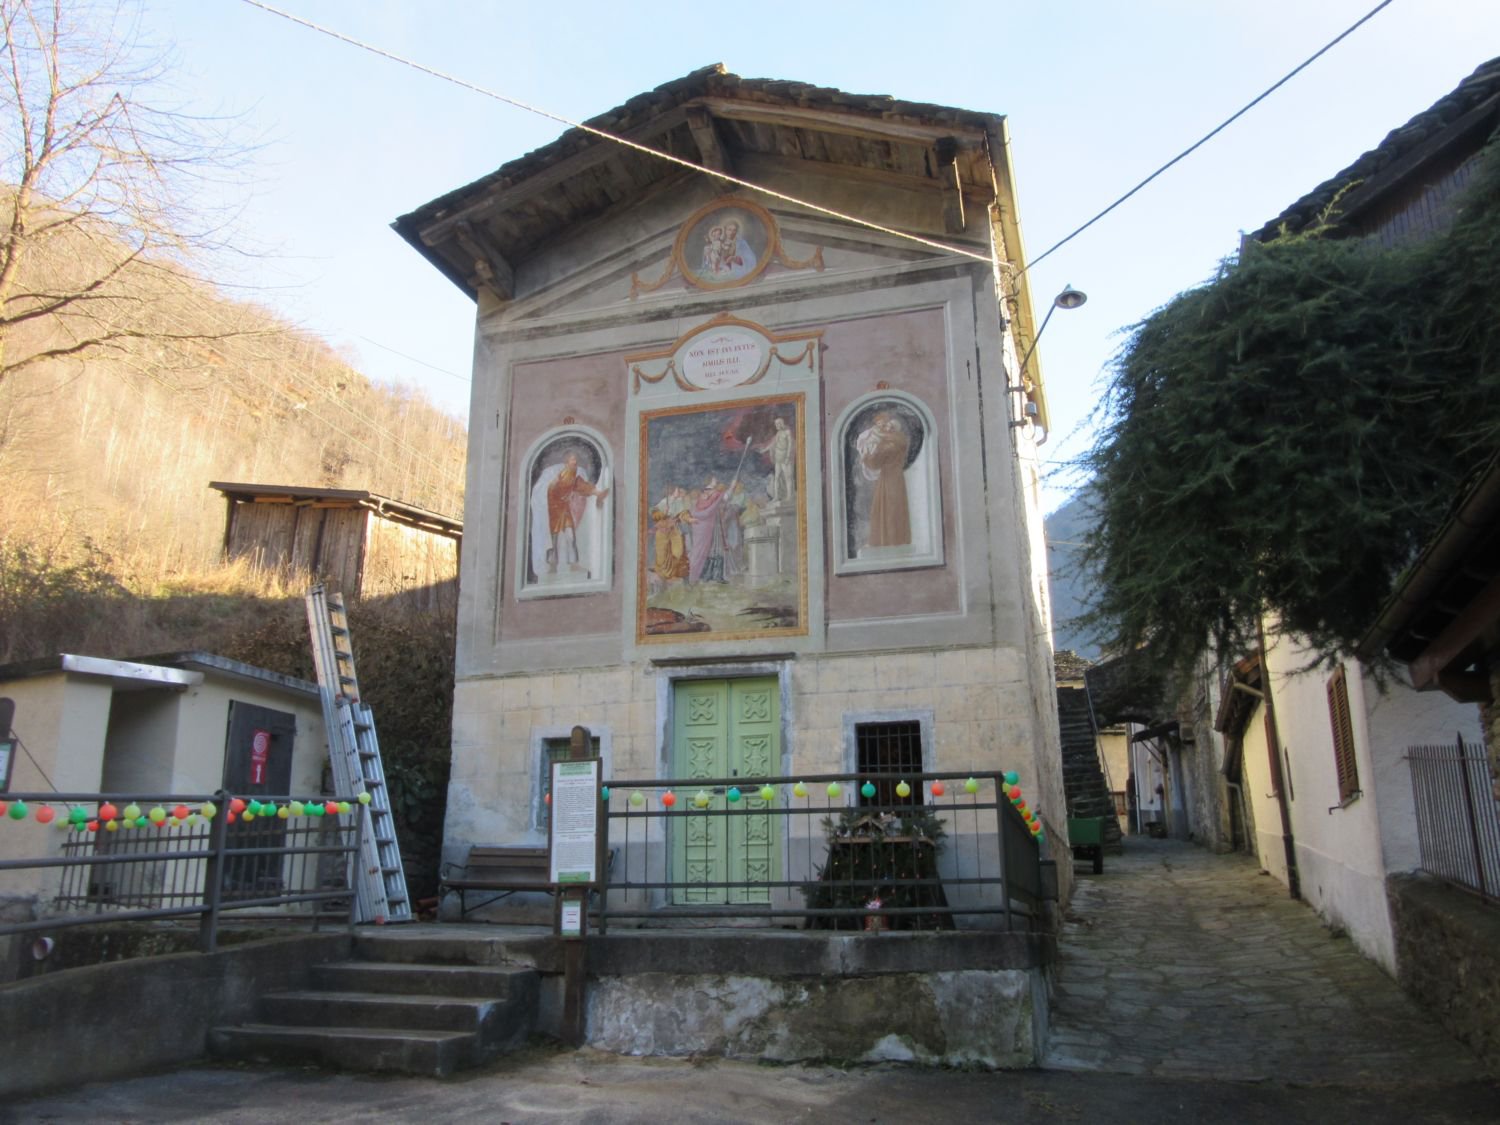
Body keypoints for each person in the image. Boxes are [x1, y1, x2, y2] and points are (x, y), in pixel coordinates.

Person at [545, 453, 609, 574]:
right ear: (567, 463)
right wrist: (563, 498)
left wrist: (597, 493)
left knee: (571, 536)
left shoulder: (573, 477)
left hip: (564, 510)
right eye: (572, 459)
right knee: (554, 538)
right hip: (555, 510)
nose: (575, 462)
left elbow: (582, 486)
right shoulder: (561, 476)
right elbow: (553, 489)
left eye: (575, 459)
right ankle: (553, 565)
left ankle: (574, 564)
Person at [857, 412, 911, 549]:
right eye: (886, 425)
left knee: (890, 509)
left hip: (890, 479)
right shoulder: (897, 440)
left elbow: (875, 461)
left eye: (890, 426)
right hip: (893, 478)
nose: (886, 428)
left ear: (894, 429)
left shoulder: (892, 444)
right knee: (888, 508)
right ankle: (888, 541)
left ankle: (889, 541)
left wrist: (865, 457)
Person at [756, 416, 794, 503]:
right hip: (778, 458)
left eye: (777, 424)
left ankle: (789, 496)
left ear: (781, 423)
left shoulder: (787, 432)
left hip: (785, 458)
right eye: (775, 424)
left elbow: (790, 445)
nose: (776, 425)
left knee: (787, 477)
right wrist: (763, 450)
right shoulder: (778, 434)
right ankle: (776, 497)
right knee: (777, 478)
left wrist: (788, 457)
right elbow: (772, 444)